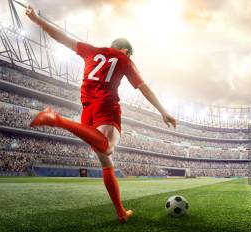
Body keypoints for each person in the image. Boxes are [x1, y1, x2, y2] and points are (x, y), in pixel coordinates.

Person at [25, 5, 177, 223]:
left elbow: (62, 38)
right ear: (124, 51)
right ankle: (56, 119)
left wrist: (38, 20)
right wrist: (164, 111)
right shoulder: (124, 59)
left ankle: (121, 213)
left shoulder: (91, 51)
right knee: (107, 146)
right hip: (106, 106)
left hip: (87, 111)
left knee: (107, 163)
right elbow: (143, 87)